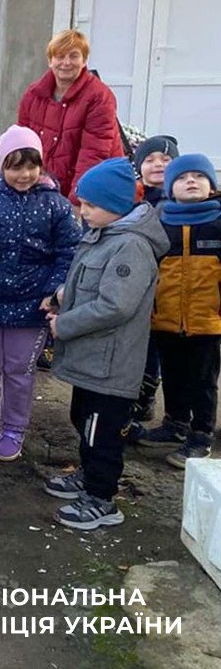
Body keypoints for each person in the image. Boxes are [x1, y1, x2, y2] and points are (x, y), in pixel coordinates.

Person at [41, 158, 167, 530]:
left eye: (91, 205)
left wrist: (65, 325)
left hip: (112, 363)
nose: (83, 211)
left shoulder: (130, 246)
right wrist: (62, 295)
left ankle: (101, 498)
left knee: (103, 431)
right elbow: (89, 281)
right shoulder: (104, 234)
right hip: (94, 362)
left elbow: (115, 305)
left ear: (116, 206)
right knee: (84, 419)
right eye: (81, 203)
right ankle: (89, 473)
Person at [0, 125, 81, 461]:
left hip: (31, 306)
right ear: (2, 166)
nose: (24, 174)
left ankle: (14, 428)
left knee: (19, 370)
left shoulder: (56, 205)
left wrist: (54, 290)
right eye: (15, 166)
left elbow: (68, 251)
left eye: (31, 165)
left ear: (41, 165)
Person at [136, 154, 221, 467]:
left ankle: (201, 436)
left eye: (200, 176)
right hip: (166, 318)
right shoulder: (158, 222)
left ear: (211, 185)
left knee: (203, 381)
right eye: (184, 178)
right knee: (173, 375)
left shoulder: (218, 221)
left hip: (207, 321)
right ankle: (175, 423)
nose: (192, 181)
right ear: (171, 187)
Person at [17, 30, 124, 207]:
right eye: (60, 56)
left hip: (90, 194)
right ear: (50, 60)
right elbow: (22, 145)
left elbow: (93, 153)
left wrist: (76, 202)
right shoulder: (33, 95)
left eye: (74, 56)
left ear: (84, 61)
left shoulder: (100, 97)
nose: (66, 63)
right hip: (44, 190)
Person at [129, 134, 179, 428]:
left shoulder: (181, 199)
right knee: (143, 343)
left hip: (171, 284)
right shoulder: (134, 198)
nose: (158, 165)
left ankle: (152, 398)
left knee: (162, 346)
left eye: (166, 159)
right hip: (141, 280)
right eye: (150, 160)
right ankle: (141, 398)